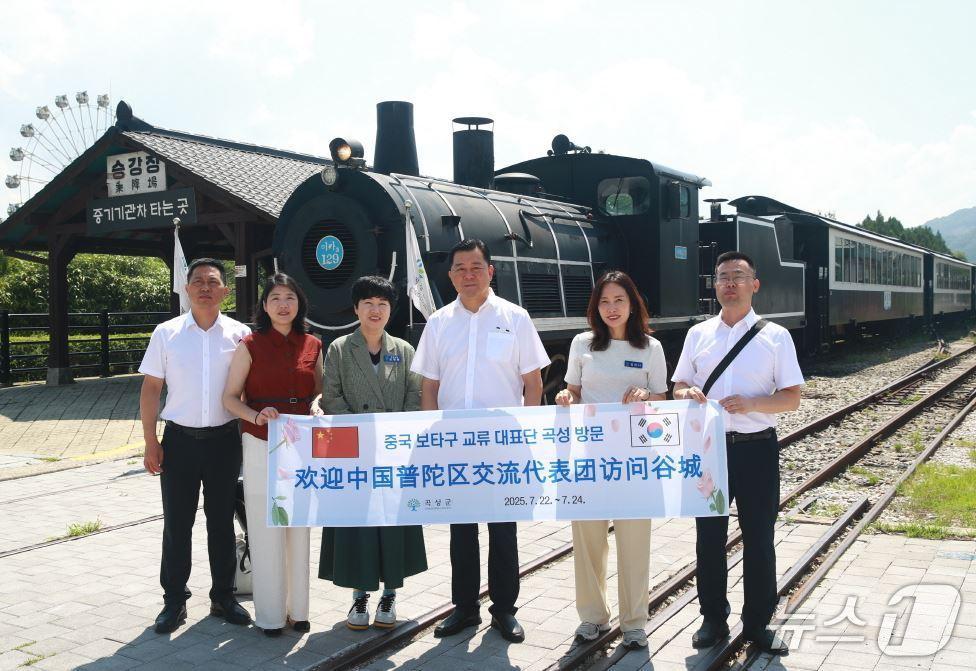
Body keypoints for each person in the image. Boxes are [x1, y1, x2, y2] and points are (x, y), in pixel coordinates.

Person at [412, 239, 550, 644]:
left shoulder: (516, 317)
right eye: (460, 268)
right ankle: (465, 609)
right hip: (454, 444)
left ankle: (505, 611)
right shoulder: (438, 322)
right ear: (450, 275)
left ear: (490, 271)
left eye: (476, 267)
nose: (468, 275)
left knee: (504, 528)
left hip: (504, 444)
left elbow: (532, 381)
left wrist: (528, 431)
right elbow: (430, 386)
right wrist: (432, 438)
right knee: (461, 530)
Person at [671, 251, 803, 655]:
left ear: (754, 284)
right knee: (708, 538)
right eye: (723, 277)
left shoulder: (775, 336)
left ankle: (758, 623)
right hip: (710, 451)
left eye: (739, 276)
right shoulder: (698, 334)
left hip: (757, 450)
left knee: (759, 538)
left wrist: (753, 404)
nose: (731, 283)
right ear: (715, 285)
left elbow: (792, 399)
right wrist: (686, 393)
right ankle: (712, 618)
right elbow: (677, 386)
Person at [555, 270, 667, 650]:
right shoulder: (582, 344)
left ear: (633, 303)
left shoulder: (650, 348)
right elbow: (572, 390)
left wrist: (646, 396)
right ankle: (592, 617)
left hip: (636, 460)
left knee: (635, 540)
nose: (612, 308)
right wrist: (566, 398)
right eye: (604, 301)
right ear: (595, 307)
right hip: (589, 458)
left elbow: (664, 400)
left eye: (619, 300)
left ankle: (634, 621)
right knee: (587, 540)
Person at [139, 258, 252, 634]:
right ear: (186, 289)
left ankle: (224, 596)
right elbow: (151, 389)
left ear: (224, 290)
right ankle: (174, 601)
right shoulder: (167, 333)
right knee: (177, 524)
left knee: (221, 522)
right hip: (179, 442)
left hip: (224, 441)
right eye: (197, 281)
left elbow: (249, 390)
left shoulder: (240, 334)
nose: (205, 287)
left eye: (212, 282)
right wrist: (150, 441)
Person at [317, 275, 428, 630]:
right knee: (359, 524)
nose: (375, 310)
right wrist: (366, 433)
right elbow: (331, 396)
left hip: (395, 452)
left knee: (393, 523)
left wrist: (395, 432)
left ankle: (391, 593)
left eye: (382, 304)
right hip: (356, 451)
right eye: (368, 304)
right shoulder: (338, 349)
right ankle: (359, 596)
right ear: (356, 309)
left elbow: (415, 395)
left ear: (391, 310)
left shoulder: (405, 350)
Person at [222, 273, 322, 636]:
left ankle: (299, 610)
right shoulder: (249, 344)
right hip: (261, 439)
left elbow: (320, 392)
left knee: (298, 524)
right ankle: (269, 615)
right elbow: (230, 398)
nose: (283, 304)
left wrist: (318, 407)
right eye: (276, 298)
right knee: (266, 526)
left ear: (300, 305)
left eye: (290, 298)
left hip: (301, 442)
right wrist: (256, 415)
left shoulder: (313, 344)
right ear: (264, 306)